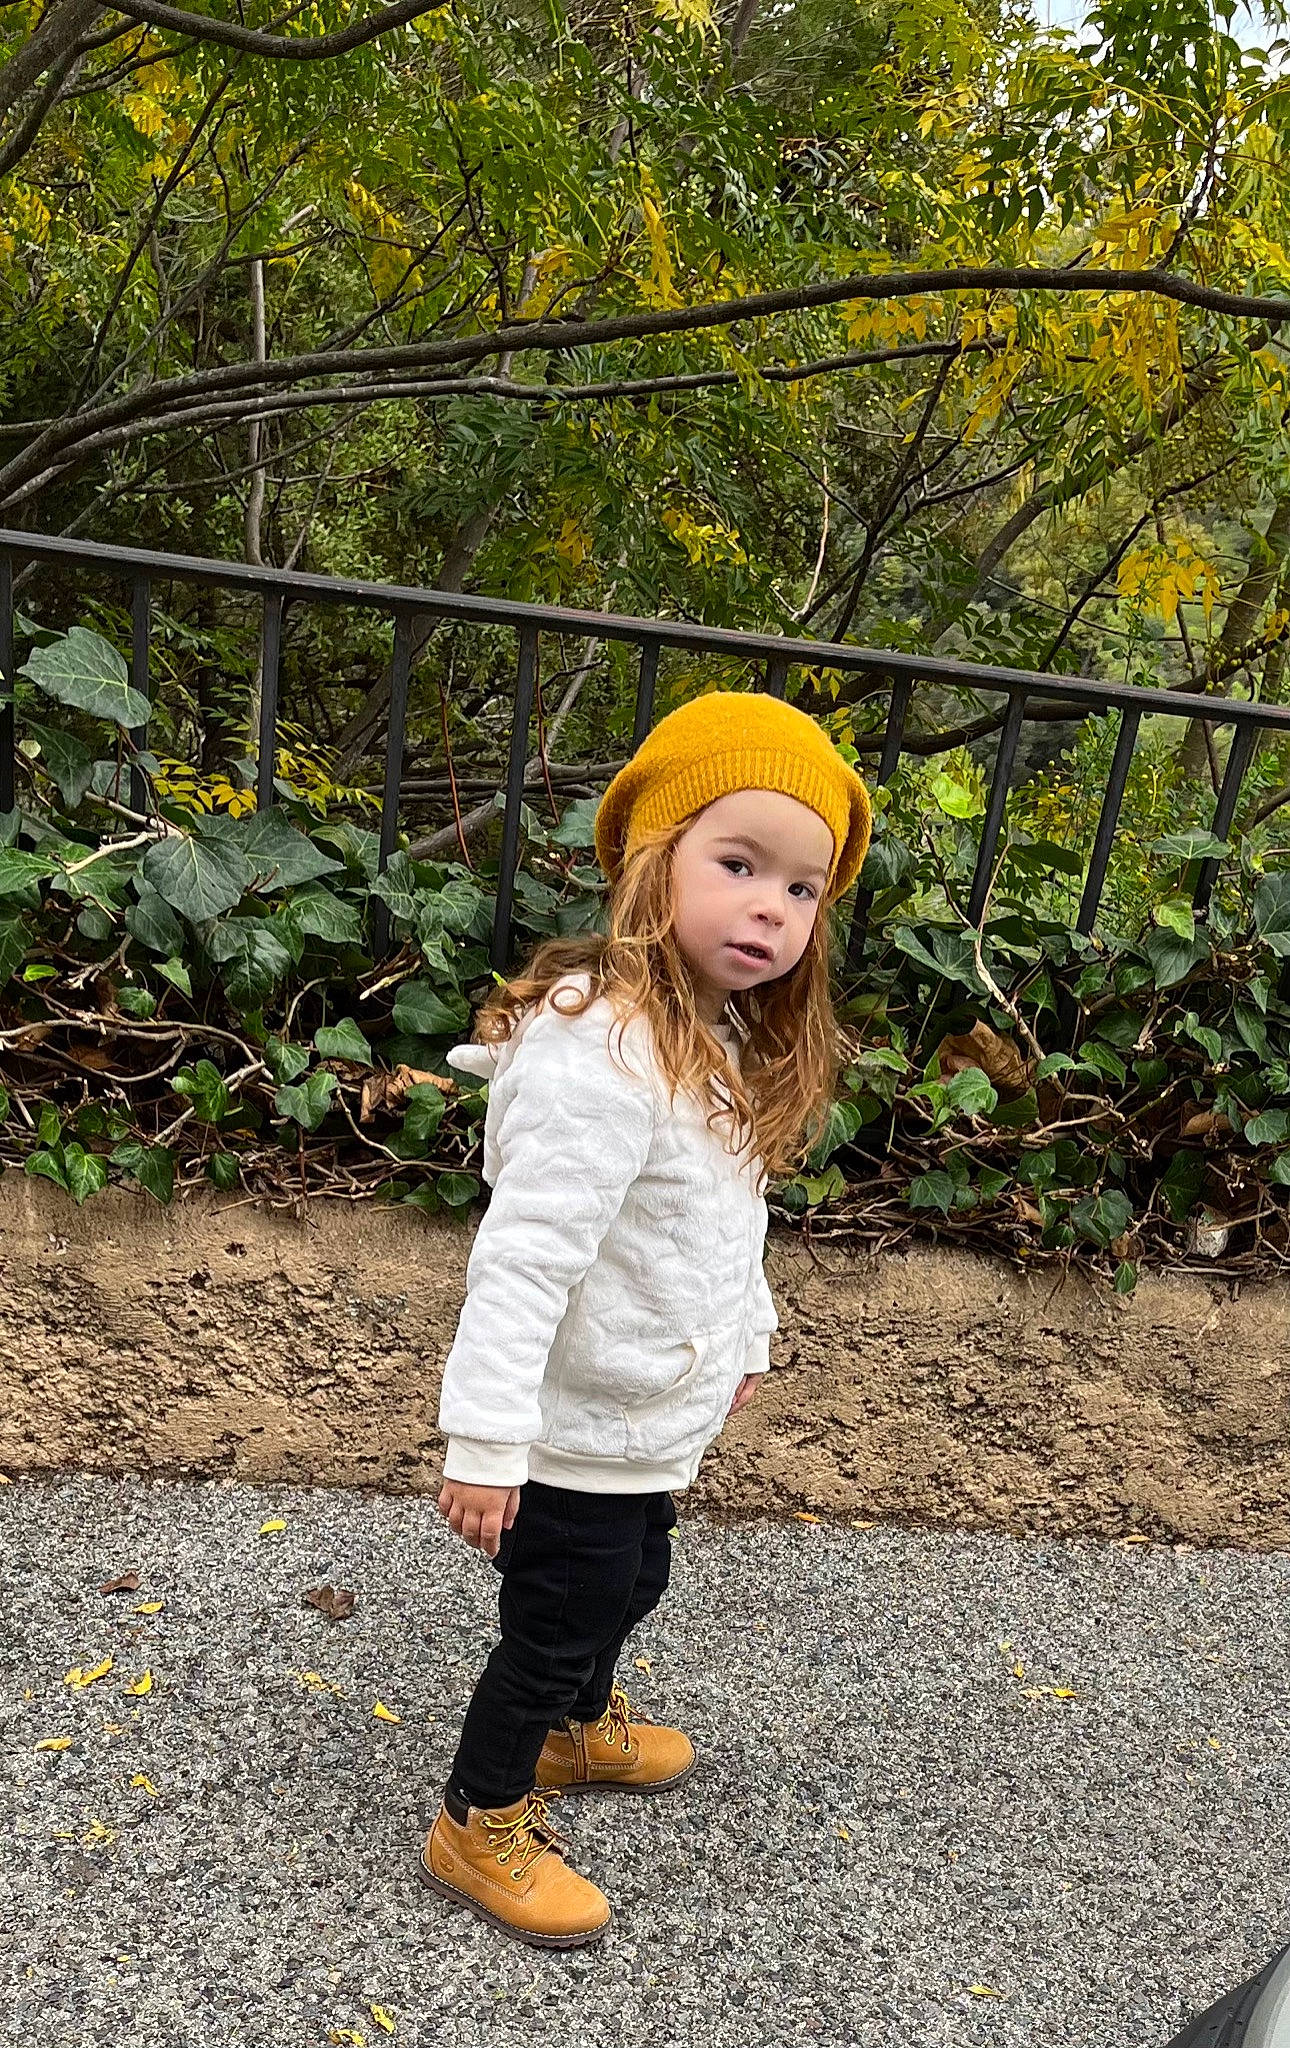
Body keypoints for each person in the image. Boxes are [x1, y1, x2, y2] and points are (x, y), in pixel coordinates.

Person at [419, 688, 871, 1948]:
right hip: (571, 1429)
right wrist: (486, 1439)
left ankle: (574, 1729)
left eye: (802, 886)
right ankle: (479, 1815)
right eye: (738, 864)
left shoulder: (706, 1035)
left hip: (643, 1416)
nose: (771, 907)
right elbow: (525, 1259)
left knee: (637, 1575)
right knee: (556, 1620)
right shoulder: (604, 1050)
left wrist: (745, 1337)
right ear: (650, 861)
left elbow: (722, 1218)